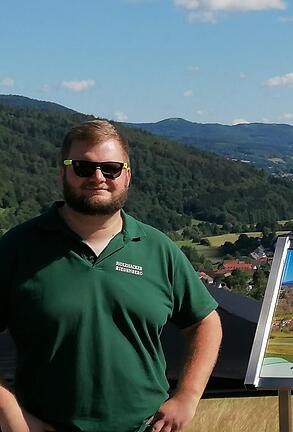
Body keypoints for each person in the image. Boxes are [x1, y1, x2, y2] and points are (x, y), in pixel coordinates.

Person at [0, 120, 222, 432]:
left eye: (111, 168)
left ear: (127, 175)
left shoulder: (158, 248)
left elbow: (205, 321)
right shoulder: (18, 248)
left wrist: (188, 395)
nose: (98, 177)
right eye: (83, 167)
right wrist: (10, 414)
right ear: (62, 172)